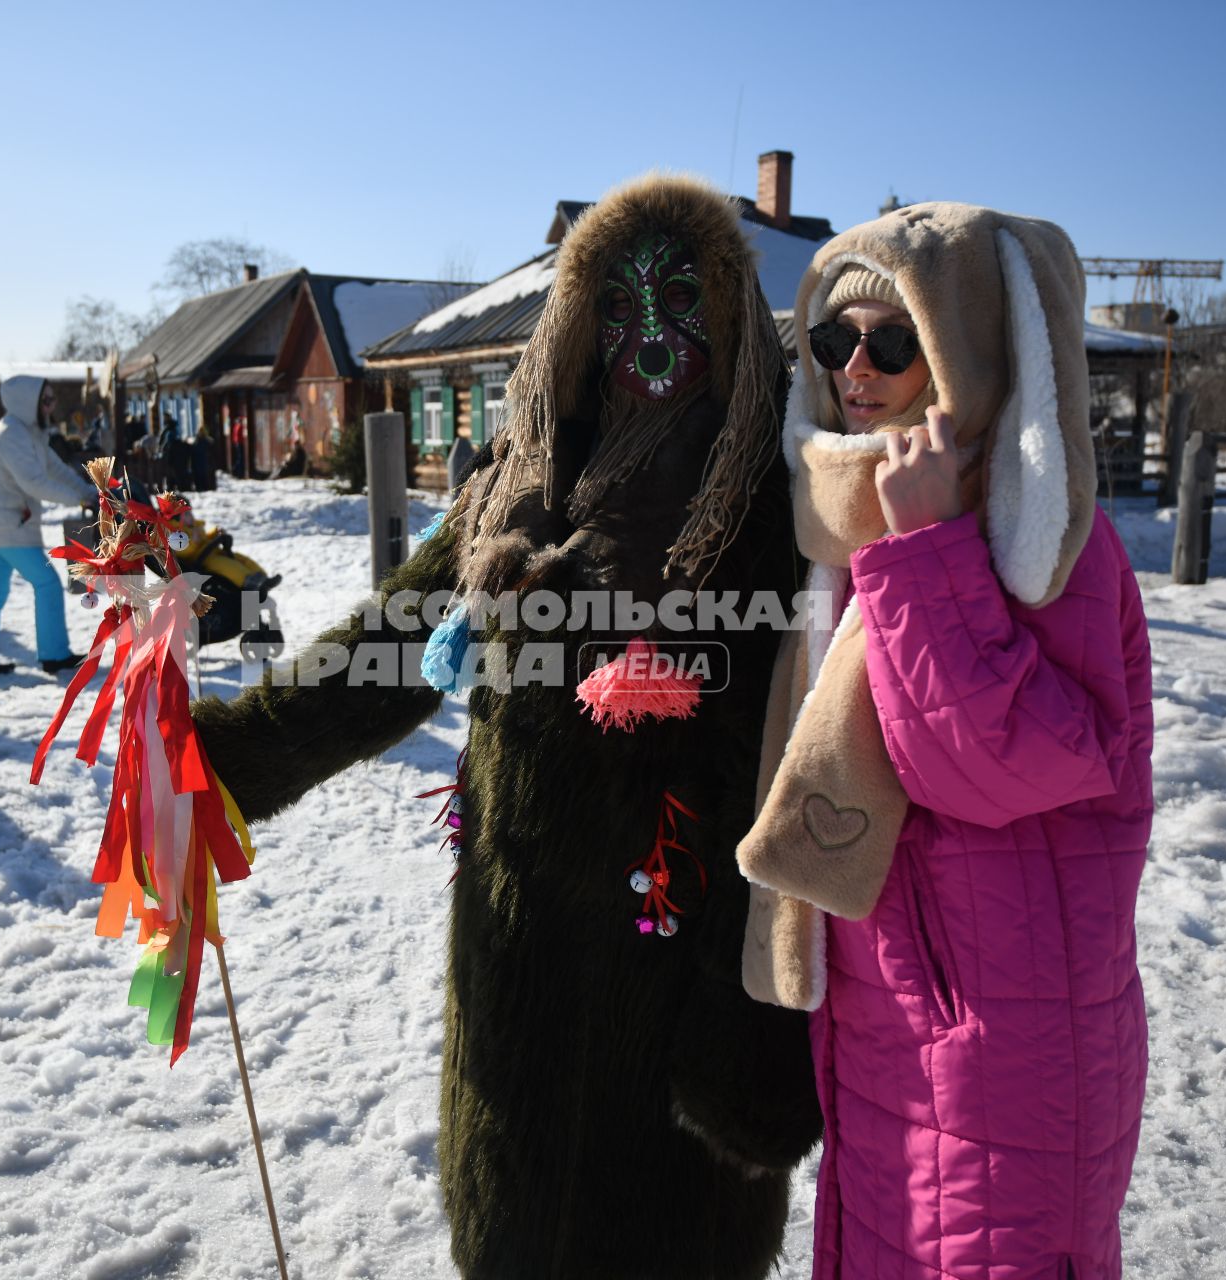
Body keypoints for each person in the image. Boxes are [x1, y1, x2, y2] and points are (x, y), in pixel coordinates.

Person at [191, 175, 818, 1278]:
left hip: (675, 975)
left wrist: (753, 1022)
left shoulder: (772, 505)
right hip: (516, 959)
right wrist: (231, 757)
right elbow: (386, 652)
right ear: (580, 320)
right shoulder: (518, 488)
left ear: (725, 321)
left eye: (680, 303)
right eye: (621, 306)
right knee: (515, 1231)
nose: (652, 337)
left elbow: (791, 773)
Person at [734, 204, 1152, 1279]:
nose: (855, 370)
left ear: (963, 348)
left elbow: (1003, 761)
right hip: (902, 1014)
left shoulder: (1041, 528)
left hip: (1003, 1040)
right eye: (832, 342)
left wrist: (926, 553)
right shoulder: (851, 512)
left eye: (892, 340)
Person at [0, 375, 91, 678]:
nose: (51, 406)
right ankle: (54, 655)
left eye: (52, 399)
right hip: (9, 527)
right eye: (46, 401)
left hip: (4, 525)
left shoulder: (27, 432)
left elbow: (54, 468)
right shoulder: (10, 435)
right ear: (27, 402)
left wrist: (85, 491)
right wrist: (78, 500)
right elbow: (33, 482)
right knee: (46, 584)